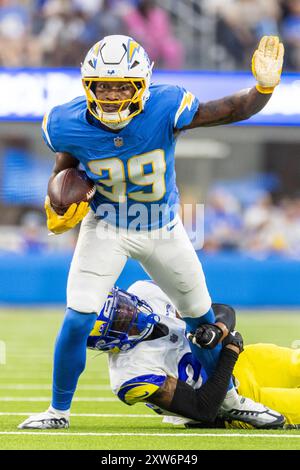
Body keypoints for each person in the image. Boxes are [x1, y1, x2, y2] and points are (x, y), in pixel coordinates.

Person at [18, 34, 284, 429]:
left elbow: (231, 108)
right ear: (87, 86)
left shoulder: (165, 105)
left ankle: (229, 400)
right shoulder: (64, 122)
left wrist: (263, 89)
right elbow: (65, 166)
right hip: (106, 226)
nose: (111, 95)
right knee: (78, 319)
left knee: (203, 322)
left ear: (141, 85)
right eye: (103, 85)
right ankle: (58, 411)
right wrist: (56, 200)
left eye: (122, 85)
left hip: (162, 227)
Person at [87, 281, 296, 428]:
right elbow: (205, 408)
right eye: (121, 321)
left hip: (249, 359)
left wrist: (219, 329)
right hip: (235, 400)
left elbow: (222, 310)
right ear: (111, 342)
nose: (131, 314)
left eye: (124, 306)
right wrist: (230, 352)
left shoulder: (145, 292)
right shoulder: (130, 376)